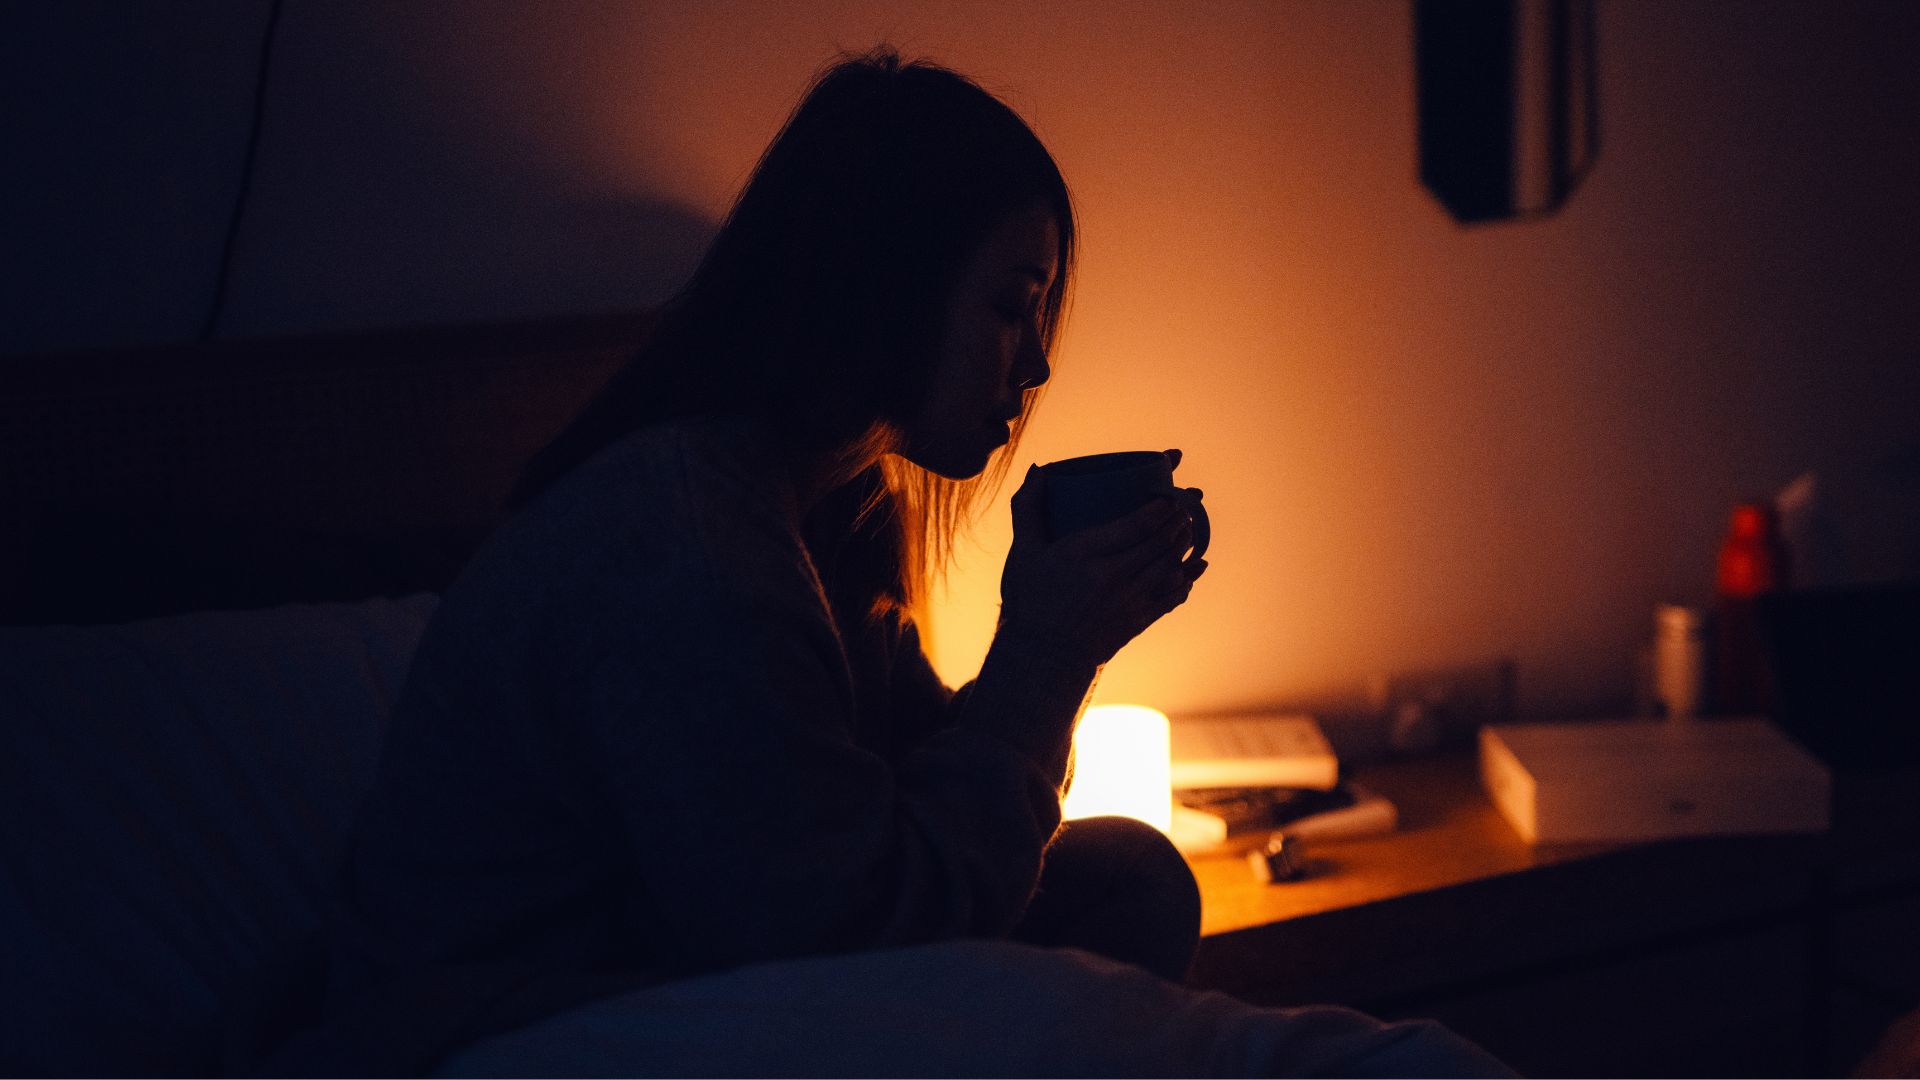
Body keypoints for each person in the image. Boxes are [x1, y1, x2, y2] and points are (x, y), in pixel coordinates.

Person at [261, 49, 1510, 1078]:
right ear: (889, 281)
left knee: (1127, 877)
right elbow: (838, 931)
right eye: (1010, 305)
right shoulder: (686, 548)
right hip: (513, 1014)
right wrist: (1041, 661)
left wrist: (1058, 633)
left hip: (687, 947)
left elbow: (895, 824)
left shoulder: (820, 509)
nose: (1033, 370)